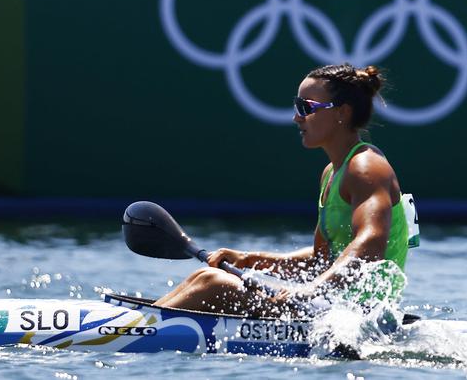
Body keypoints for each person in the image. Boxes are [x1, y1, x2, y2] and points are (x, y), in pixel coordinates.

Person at [154, 63, 410, 316]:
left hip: (358, 316)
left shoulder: (366, 166)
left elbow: (371, 242)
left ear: (341, 112)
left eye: (306, 108)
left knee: (213, 283)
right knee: (206, 275)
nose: (296, 117)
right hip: (331, 306)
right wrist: (248, 259)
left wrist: (314, 289)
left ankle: (133, 329)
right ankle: (139, 320)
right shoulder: (332, 173)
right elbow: (318, 261)